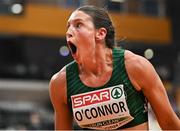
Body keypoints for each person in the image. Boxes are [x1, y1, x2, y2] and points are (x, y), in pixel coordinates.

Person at [49, 5, 180, 130]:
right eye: (68, 26)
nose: (68, 32)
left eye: (78, 25)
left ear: (100, 33)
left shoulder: (135, 66)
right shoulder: (60, 83)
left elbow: (169, 123)